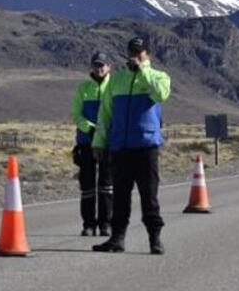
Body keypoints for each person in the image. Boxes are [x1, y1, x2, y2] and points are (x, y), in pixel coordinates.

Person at [91, 36, 171, 255]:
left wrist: (142, 70)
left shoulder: (158, 77)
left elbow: (161, 94)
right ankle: (117, 239)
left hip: (146, 146)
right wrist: (99, 141)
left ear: (148, 55)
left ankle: (155, 239)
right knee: (120, 197)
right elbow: (105, 114)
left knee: (149, 196)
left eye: (140, 52)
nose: (135, 55)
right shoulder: (116, 81)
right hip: (121, 148)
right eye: (132, 52)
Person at [71, 51, 113, 236]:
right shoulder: (83, 88)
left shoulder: (114, 87)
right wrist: (89, 127)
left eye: (102, 65)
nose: (99, 68)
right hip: (86, 142)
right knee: (87, 185)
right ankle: (88, 224)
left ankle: (106, 224)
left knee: (107, 184)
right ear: (92, 67)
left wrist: (105, 130)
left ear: (108, 66)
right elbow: (76, 114)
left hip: (108, 142)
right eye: (96, 65)